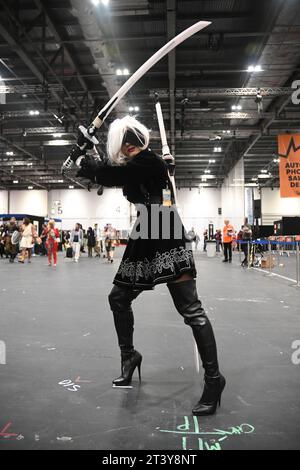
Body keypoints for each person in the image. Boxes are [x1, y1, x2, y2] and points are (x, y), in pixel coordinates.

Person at [77, 115, 225, 416]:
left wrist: (88, 164)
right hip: (147, 230)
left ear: (127, 144)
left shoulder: (149, 161)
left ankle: (214, 379)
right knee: (119, 297)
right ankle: (129, 357)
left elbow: (111, 175)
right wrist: (89, 157)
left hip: (165, 229)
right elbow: (116, 173)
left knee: (191, 310)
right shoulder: (144, 165)